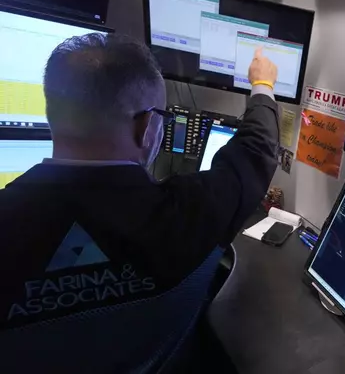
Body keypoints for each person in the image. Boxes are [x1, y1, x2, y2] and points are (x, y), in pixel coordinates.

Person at [0, 33, 279, 373]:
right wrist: (262, 84)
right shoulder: (189, 213)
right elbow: (256, 150)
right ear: (147, 127)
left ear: (51, 115)